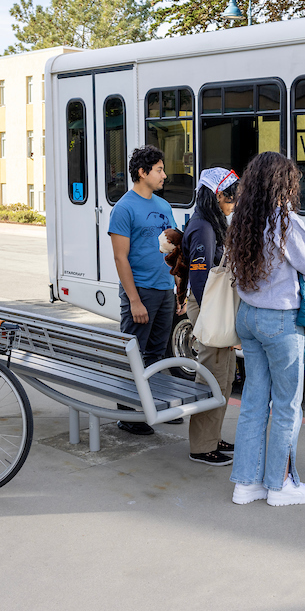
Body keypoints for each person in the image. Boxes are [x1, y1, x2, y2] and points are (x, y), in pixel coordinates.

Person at [228, 152, 305, 506]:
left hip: (249, 317)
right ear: (284, 184)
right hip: (280, 322)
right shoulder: (286, 221)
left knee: (254, 401)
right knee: (287, 406)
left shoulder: (241, 218)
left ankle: (246, 484)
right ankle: (280, 484)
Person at [108, 145, 179, 435]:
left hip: (165, 290)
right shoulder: (124, 208)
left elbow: (175, 249)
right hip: (142, 292)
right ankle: (129, 415)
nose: (164, 175)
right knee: (134, 355)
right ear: (142, 172)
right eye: (159, 169)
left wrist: (180, 289)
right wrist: (134, 300)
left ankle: (158, 406)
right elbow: (120, 257)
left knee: (158, 353)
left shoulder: (163, 206)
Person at [182, 167, 241, 466]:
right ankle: (202, 447)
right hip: (209, 306)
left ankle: (213, 436)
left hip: (214, 306)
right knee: (212, 377)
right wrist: (211, 318)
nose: (233, 203)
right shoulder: (203, 227)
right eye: (231, 197)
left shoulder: (211, 223)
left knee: (225, 375)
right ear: (218, 195)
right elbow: (200, 279)